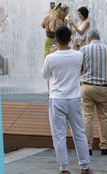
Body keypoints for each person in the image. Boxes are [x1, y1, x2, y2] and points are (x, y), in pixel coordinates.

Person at [42, 26, 91, 174]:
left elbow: (45, 76)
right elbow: (81, 70)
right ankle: (85, 167)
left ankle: (64, 169)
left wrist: (51, 54)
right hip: (74, 98)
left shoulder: (50, 58)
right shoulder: (78, 55)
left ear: (55, 39)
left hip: (57, 99)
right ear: (70, 39)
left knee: (59, 135)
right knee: (79, 133)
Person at [79, 29, 107, 156]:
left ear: (89, 39)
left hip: (87, 87)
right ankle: (105, 147)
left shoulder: (84, 49)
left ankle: (88, 147)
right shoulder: (106, 49)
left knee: (87, 117)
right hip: (103, 87)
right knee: (104, 118)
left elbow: (79, 69)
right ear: (99, 38)